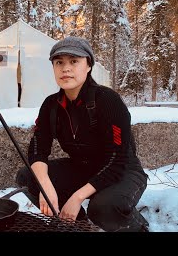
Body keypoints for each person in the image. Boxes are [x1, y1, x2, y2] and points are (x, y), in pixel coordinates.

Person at [15, 36, 149, 232]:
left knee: (102, 208)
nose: (65, 68)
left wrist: (77, 198)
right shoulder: (51, 105)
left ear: (88, 66)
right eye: (59, 62)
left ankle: (137, 226)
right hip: (84, 168)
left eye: (74, 61)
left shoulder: (107, 100)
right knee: (28, 177)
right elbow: (38, 148)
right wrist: (45, 186)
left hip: (122, 171)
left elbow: (117, 159)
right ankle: (76, 225)